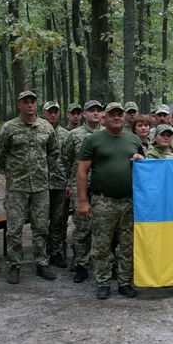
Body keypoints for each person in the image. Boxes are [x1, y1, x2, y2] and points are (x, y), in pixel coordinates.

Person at [77, 102, 145, 299]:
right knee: (101, 244)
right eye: (112, 114)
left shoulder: (133, 139)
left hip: (130, 201)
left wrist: (139, 158)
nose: (116, 117)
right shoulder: (93, 140)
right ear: (104, 118)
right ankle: (103, 282)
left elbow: (144, 169)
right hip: (103, 201)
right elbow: (82, 171)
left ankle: (124, 282)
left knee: (128, 244)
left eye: (119, 114)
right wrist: (83, 201)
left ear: (124, 117)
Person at [0, 91, 60, 284]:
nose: (30, 105)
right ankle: (14, 265)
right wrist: (13, 170)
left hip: (40, 186)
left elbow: (53, 152)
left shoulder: (46, 127)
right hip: (17, 186)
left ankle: (42, 263)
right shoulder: (9, 127)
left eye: (32, 102)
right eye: (26, 102)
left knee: (40, 227)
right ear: (19, 105)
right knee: (14, 227)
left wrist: (42, 169)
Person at [60, 99, 103, 283]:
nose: (95, 113)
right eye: (91, 110)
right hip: (81, 187)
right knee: (82, 227)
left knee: (103, 227)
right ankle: (81, 264)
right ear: (84, 114)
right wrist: (71, 182)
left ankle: (104, 263)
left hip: (103, 186)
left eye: (98, 110)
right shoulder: (75, 135)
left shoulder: (108, 134)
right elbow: (66, 158)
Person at [41, 101, 71, 269]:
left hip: (59, 184)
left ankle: (56, 252)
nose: (53, 115)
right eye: (49, 112)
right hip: (39, 184)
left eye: (55, 112)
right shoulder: (38, 131)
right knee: (40, 221)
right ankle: (41, 252)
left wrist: (68, 182)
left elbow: (70, 161)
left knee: (59, 220)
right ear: (43, 113)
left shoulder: (66, 135)